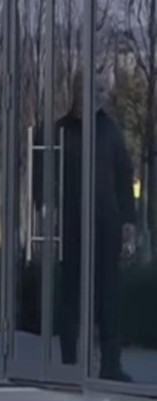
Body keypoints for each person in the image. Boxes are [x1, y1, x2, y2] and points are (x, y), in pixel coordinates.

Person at [34, 71, 136, 381]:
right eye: (95, 89)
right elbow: (42, 177)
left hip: (106, 225)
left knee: (108, 296)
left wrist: (128, 221)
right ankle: (69, 364)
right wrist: (46, 210)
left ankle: (111, 365)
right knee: (71, 296)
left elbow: (124, 177)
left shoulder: (111, 131)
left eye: (104, 90)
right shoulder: (59, 132)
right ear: (79, 89)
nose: (100, 95)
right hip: (71, 225)